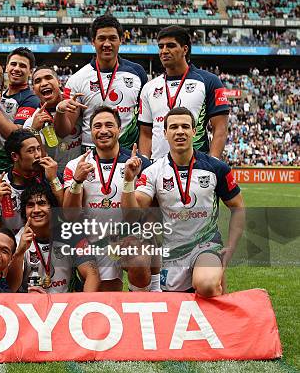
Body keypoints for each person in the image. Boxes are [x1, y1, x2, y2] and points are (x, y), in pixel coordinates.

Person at [122, 107, 245, 296]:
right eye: (174, 127)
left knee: (207, 285)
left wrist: (231, 247)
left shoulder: (215, 168)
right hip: (171, 251)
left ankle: (217, 283)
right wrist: (129, 181)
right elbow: (132, 214)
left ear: (194, 132)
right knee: (174, 308)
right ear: (165, 133)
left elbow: (238, 207)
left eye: (185, 126)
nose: (180, 131)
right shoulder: (153, 171)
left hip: (206, 245)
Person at [63, 106, 154, 291]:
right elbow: (69, 215)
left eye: (109, 125)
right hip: (93, 241)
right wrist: (77, 181)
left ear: (119, 129)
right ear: (90, 132)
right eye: (97, 126)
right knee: (106, 300)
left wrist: (129, 180)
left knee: (138, 262)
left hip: (128, 238)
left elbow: (141, 214)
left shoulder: (140, 163)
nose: (103, 130)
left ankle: (143, 295)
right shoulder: (76, 165)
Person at [57, 15, 148, 151]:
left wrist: (144, 156)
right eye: (101, 39)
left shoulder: (137, 73)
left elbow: (145, 124)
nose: (107, 44)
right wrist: (60, 111)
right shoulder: (78, 79)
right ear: (93, 42)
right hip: (91, 154)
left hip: (127, 152)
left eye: (112, 38)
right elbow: (63, 131)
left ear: (121, 40)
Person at [138, 25, 230, 160]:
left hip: (196, 167)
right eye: (161, 46)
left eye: (170, 46)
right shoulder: (149, 87)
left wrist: (213, 163)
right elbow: (146, 134)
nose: (164, 51)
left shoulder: (209, 81)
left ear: (185, 49)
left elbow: (220, 129)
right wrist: (145, 164)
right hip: (158, 169)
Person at [6, 183, 99, 293]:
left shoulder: (71, 233)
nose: (36, 210)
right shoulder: (17, 241)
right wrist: (19, 253)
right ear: (24, 211)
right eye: (30, 205)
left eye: (42, 203)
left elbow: (92, 274)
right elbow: (10, 287)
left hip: (66, 304)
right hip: (30, 305)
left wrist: (81, 306)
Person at [0, 47, 40, 185]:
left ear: (30, 72)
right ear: (7, 67)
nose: (17, 69)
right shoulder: (0, 93)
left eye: (23, 66)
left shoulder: (30, 99)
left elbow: (17, 135)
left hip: (9, 172)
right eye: (13, 64)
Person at [0, 129, 62, 234]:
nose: (38, 155)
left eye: (38, 149)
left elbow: (68, 211)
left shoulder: (50, 175)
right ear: (15, 156)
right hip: (12, 244)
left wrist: (54, 179)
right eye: (31, 151)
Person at [24, 66, 82, 169]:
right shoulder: (31, 122)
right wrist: (34, 131)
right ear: (33, 90)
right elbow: (36, 160)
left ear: (59, 82)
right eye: (38, 81)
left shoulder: (77, 105)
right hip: (51, 177)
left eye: (48, 77)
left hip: (80, 173)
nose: (44, 83)